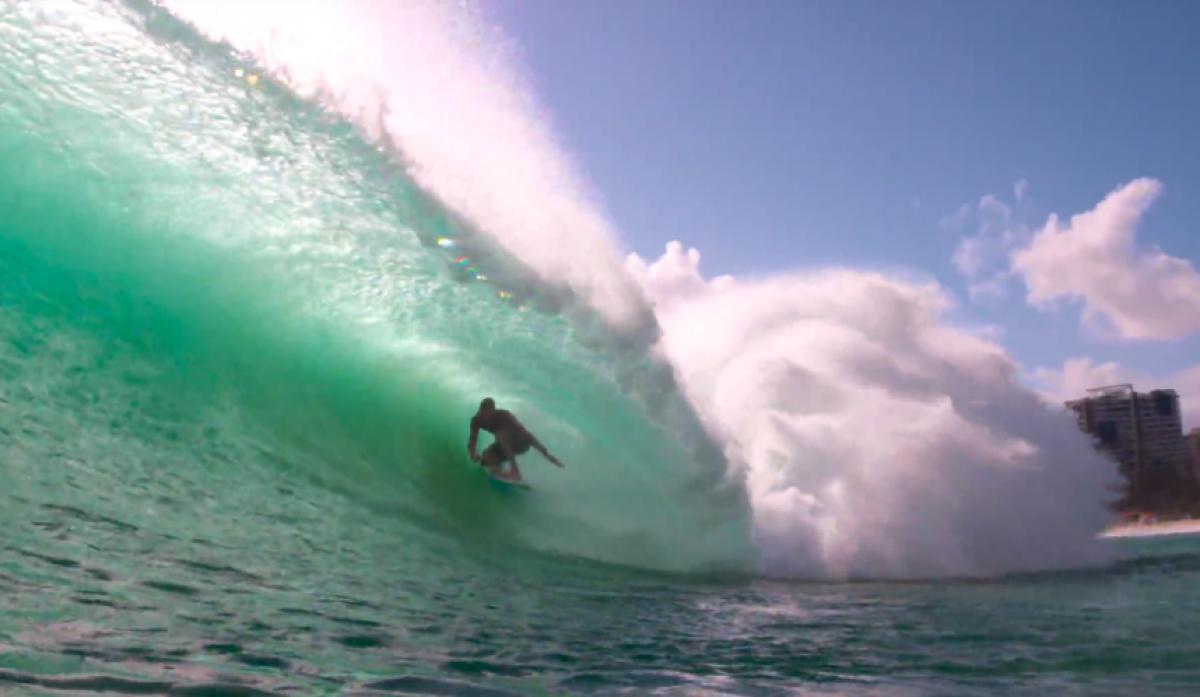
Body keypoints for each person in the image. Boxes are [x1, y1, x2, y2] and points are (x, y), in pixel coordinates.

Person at [468, 397, 563, 481]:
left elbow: (525, 433)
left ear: (494, 410)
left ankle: (515, 471)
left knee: (501, 435)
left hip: (521, 442)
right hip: (504, 444)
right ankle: (500, 469)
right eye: (485, 412)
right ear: (481, 410)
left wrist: (547, 454)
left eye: (491, 412)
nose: (488, 416)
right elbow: (473, 439)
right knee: (486, 458)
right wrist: (472, 453)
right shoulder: (476, 420)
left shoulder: (503, 415)